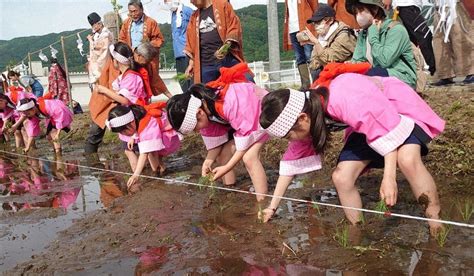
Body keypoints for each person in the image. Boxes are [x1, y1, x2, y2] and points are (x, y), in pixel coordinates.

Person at [259, 64, 445, 235]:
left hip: (397, 111)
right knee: (341, 177)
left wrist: (389, 178)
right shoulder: (309, 112)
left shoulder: (344, 97)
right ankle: (356, 229)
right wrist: (272, 207)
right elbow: (289, 167)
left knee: (407, 159)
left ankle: (435, 221)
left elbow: (386, 127)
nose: (290, 141)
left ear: (302, 119)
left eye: (289, 136)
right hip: (367, 124)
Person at [167, 63, 269, 201]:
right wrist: (208, 162)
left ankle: (262, 203)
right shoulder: (204, 108)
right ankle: (230, 190)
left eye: (195, 128)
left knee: (249, 157)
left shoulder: (230, 102)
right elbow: (216, 143)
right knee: (223, 155)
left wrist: (226, 168)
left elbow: (245, 141)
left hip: (264, 115)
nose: (197, 132)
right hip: (248, 123)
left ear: (198, 114)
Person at [94, 42, 147, 171]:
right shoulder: (125, 76)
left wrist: (105, 90)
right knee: (129, 150)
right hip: (129, 117)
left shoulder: (131, 77)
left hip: (136, 118)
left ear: (116, 61)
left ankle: (143, 175)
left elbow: (124, 100)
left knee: (143, 150)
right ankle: (139, 176)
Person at [106, 103, 181, 192]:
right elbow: (137, 130)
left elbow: (144, 152)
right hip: (156, 134)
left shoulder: (148, 125)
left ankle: (158, 175)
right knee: (152, 154)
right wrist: (133, 137)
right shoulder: (134, 117)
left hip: (168, 138)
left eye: (124, 131)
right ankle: (160, 169)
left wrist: (136, 175)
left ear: (132, 122)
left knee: (151, 153)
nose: (124, 135)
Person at [346, 0, 417, 89]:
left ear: (375, 9)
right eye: (356, 13)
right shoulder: (363, 34)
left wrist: (373, 36)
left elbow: (385, 61)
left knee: (370, 75)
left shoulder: (396, 30)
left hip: (403, 77)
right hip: (378, 74)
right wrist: (351, 65)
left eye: (360, 11)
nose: (358, 16)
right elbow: (358, 59)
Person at [184, 0, 247, 84]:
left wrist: (225, 48)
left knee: (246, 82)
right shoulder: (194, 17)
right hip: (206, 63)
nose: (191, 2)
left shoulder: (223, 5)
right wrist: (191, 64)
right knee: (207, 93)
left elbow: (234, 27)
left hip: (227, 59)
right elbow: (191, 42)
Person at [84, 11, 120, 154]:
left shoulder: (106, 35)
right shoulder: (98, 35)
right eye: (93, 25)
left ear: (100, 23)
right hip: (100, 76)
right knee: (102, 108)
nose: (95, 27)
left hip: (106, 73)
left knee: (107, 105)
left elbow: (101, 54)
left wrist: (91, 42)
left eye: (96, 24)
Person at [119, 0, 171, 98]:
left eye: (135, 11)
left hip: (146, 59)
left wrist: (144, 46)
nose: (133, 14)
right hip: (132, 58)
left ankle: (166, 98)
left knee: (149, 80)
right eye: (131, 11)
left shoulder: (151, 22)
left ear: (142, 9)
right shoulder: (126, 23)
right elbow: (121, 39)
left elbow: (159, 39)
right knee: (134, 81)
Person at [301, 4, 357, 80]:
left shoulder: (344, 35)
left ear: (330, 20)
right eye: (314, 23)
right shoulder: (321, 37)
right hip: (332, 77)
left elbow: (329, 61)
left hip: (347, 78)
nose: (315, 26)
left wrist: (316, 43)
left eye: (318, 22)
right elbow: (313, 65)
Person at [383, 0, 436, 75]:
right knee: (424, 35)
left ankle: (408, 68)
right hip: (405, 5)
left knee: (411, 40)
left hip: (410, 6)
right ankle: (433, 68)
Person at [431, 0, 473, 86]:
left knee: (462, 39)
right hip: (440, 6)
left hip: (457, 5)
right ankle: (445, 74)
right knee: (440, 41)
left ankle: (470, 71)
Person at [283, 0, 318, 90]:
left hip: (305, 27)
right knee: (299, 58)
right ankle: (305, 85)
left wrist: (316, 22)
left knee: (310, 56)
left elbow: (315, 6)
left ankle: (317, 82)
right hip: (292, 29)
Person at [165, 0, 194, 92]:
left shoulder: (187, 11)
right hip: (178, 54)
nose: (167, 2)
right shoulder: (173, 14)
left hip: (188, 53)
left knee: (191, 82)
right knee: (183, 83)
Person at [1, 87, 40, 151]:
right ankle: (19, 149)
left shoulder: (18, 96)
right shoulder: (4, 104)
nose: (1, 109)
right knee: (16, 132)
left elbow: (25, 113)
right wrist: (4, 127)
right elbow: (5, 116)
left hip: (29, 110)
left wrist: (16, 125)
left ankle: (31, 149)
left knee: (25, 128)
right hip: (17, 113)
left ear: (1, 101)